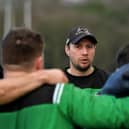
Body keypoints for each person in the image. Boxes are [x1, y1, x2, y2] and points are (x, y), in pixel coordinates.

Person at [1, 27, 129, 129]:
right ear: (39, 63)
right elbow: (119, 114)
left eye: (89, 46)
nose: (84, 52)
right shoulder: (61, 94)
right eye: (78, 46)